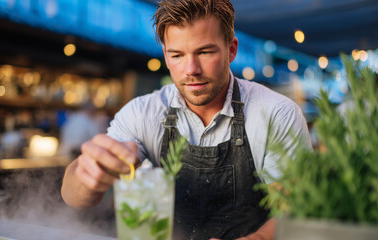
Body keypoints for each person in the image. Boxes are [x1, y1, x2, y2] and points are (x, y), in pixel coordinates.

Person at [61, 0, 312, 239]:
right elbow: (73, 196)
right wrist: (88, 174)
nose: (191, 69)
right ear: (165, 54)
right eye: (177, 55)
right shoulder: (142, 113)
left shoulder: (276, 114)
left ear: (231, 49)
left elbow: (295, 211)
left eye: (204, 51)